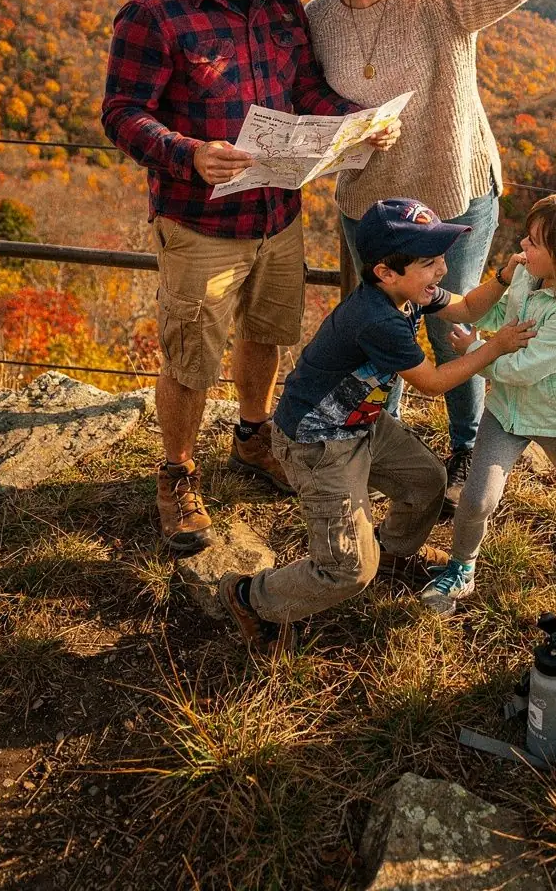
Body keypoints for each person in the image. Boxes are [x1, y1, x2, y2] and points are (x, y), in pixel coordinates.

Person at [101, 0, 397, 554]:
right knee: (190, 360)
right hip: (199, 221)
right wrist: (187, 153)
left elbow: (307, 92)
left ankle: (252, 437)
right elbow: (121, 114)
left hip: (277, 215)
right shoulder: (155, 12)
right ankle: (176, 473)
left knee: (266, 335)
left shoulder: (280, 5)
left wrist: (359, 121)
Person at [305, 0, 556, 513]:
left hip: (454, 190)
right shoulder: (317, 21)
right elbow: (310, 101)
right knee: (380, 322)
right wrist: (350, 123)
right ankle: (373, 445)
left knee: (455, 324)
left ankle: (467, 447)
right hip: (372, 201)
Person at [217, 197, 537, 657]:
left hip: (362, 422)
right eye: (429, 262)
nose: (441, 270)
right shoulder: (378, 318)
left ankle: (390, 552)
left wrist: (504, 278)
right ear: (386, 272)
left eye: (439, 258)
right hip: (317, 443)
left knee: (426, 480)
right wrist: (496, 347)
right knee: (346, 570)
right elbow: (431, 383)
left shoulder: (408, 293)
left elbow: (467, 308)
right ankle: (250, 598)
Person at [421, 191, 556, 615]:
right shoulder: (526, 275)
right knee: (477, 498)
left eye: (535, 242)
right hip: (506, 411)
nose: (522, 245)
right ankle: (461, 569)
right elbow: (500, 318)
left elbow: (523, 367)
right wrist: (452, 308)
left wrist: (474, 352)